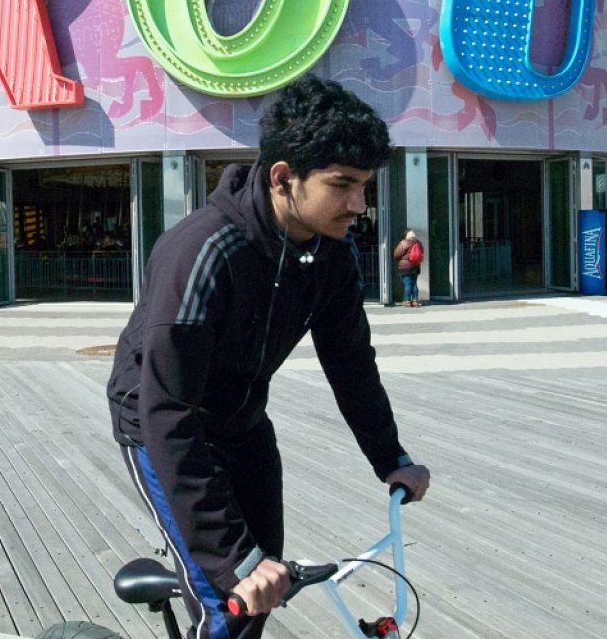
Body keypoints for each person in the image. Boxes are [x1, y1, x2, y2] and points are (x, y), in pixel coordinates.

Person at [106, 74, 430, 639]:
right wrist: (231, 557)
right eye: (343, 185)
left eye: (365, 186)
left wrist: (390, 456)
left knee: (265, 591)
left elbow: (350, 360)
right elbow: (167, 411)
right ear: (284, 178)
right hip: (161, 422)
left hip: (243, 421)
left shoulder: (330, 251)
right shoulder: (203, 255)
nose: (359, 204)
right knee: (232, 598)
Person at [393, 230, 422, 307]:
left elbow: (396, 254)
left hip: (405, 267)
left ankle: (407, 301)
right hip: (416, 266)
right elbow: (421, 253)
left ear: (406, 236)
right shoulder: (418, 243)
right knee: (414, 284)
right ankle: (415, 301)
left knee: (408, 284)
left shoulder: (403, 243)